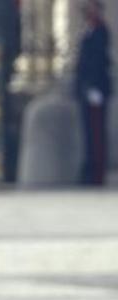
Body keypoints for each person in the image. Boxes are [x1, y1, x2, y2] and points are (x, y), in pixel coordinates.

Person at [75, 0, 111, 185]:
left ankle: (97, 173)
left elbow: (98, 62)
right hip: (86, 89)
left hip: (96, 89)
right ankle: (89, 168)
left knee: (97, 133)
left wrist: (94, 88)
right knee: (89, 132)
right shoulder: (87, 29)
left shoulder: (101, 30)